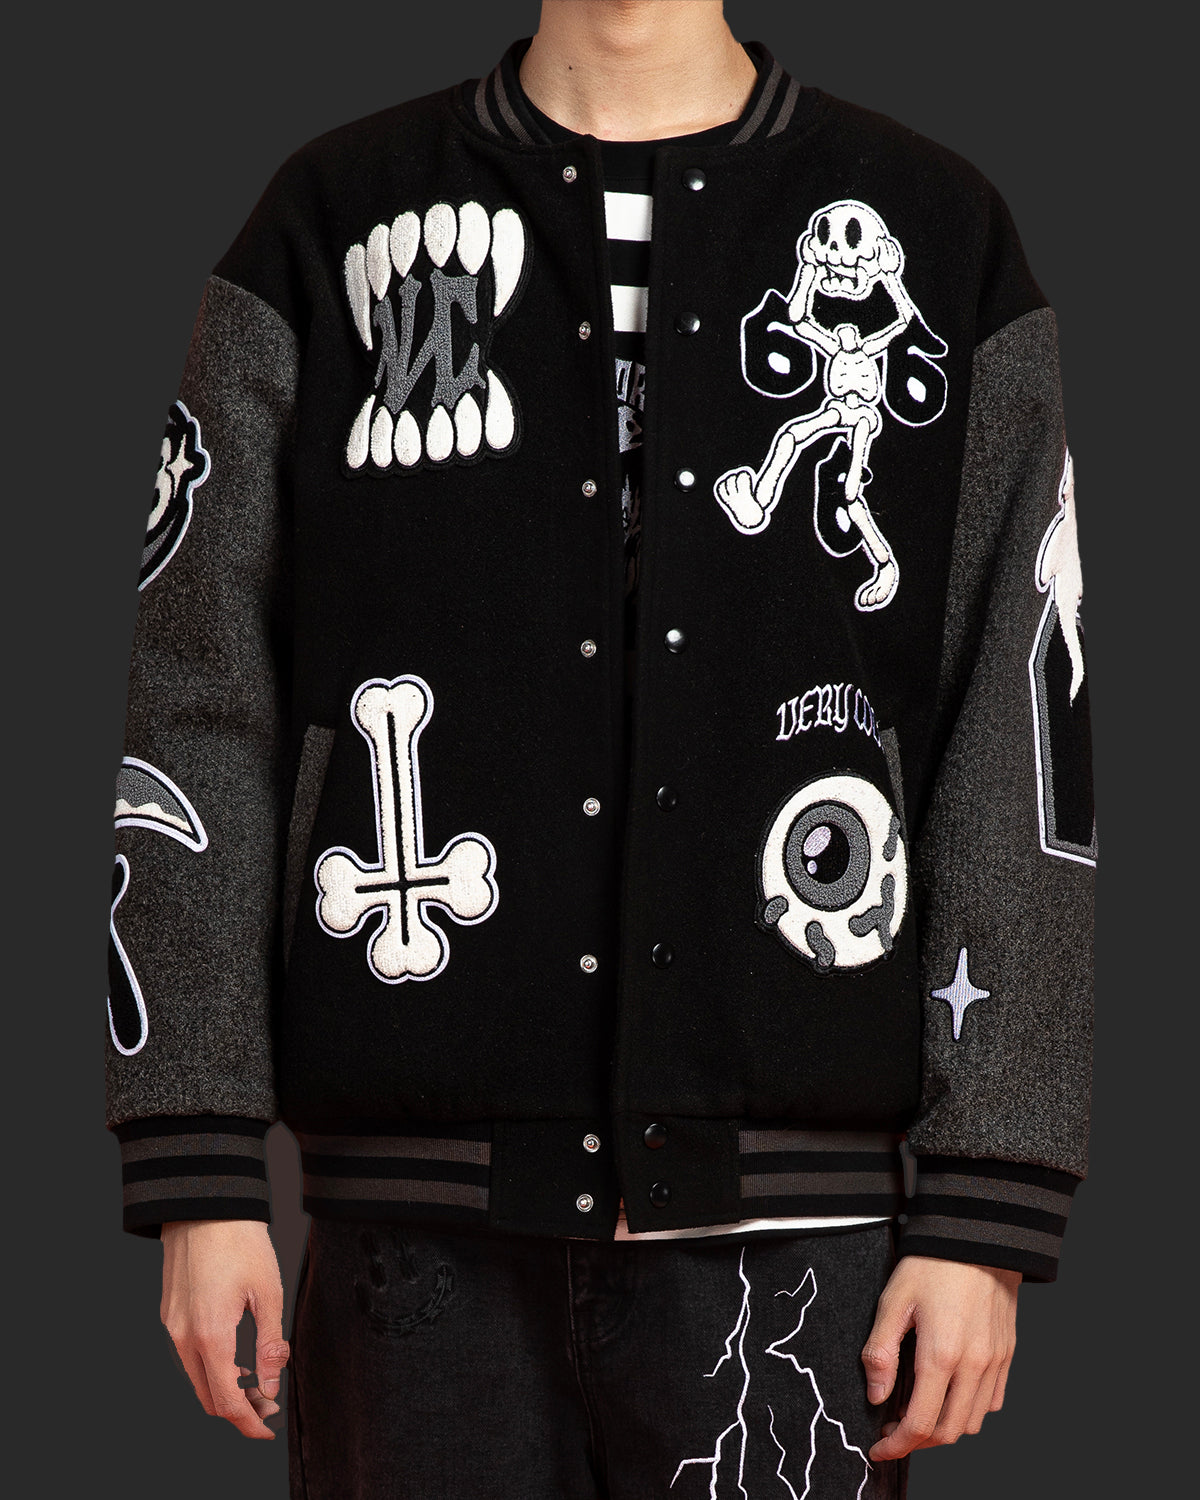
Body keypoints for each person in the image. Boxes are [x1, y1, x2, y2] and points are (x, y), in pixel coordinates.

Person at [104, 2, 1095, 1495]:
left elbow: (1018, 720)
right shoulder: (331, 218)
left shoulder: (939, 229)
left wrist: (987, 1201)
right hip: (413, 1245)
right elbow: (199, 692)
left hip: (793, 1258)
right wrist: (199, 1157)